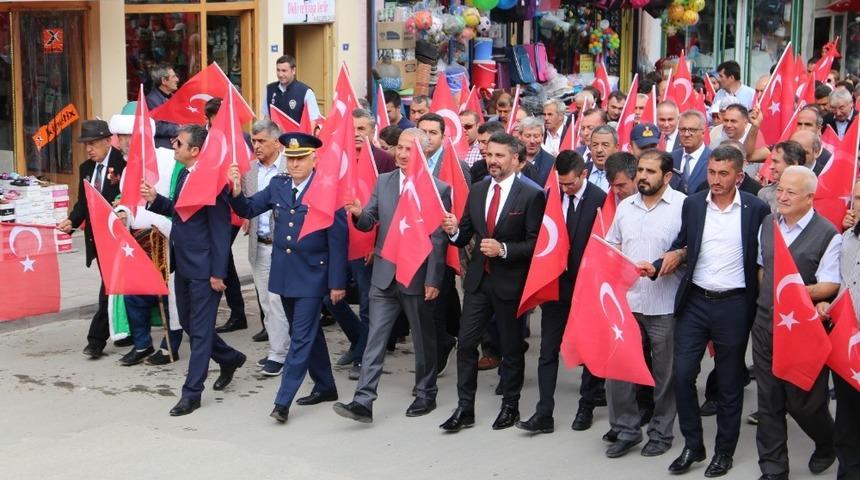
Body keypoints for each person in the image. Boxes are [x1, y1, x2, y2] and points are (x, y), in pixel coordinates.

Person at [648, 145, 769, 476]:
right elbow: (684, 244)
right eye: (712, 172)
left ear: (739, 177)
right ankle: (693, 446)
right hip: (695, 303)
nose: (715, 179)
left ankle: (724, 452)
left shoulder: (756, 209)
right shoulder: (693, 205)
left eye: (723, 174)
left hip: (733, 305)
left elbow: (762, 258)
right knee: (683, 375)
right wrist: (668, 259)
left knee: (729, 384)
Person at [332, 128, 452, 423]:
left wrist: (434, 279)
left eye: (409, 149)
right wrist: (359, 214)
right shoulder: (384, 182)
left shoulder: (438, 189)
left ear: (423, 154)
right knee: (375, 337)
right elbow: (370, 220)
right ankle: (363, 400)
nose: (401, 153)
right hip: (384, 273)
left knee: (422, 339)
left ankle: (426, 392)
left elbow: (438, 239)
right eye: (399, 147)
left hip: (416, 275)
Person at [227, 132, 347, 424]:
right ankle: (326, 385)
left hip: (312, 273)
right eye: (291, 159)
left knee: (301, 337)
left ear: (313, 159)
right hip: (285, 271)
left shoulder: (326, 188)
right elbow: (249, 208)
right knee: (307, 333)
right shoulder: (278, 185)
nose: (294, 164)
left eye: (301, 159)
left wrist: (337, 282)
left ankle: (282, 401)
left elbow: (338, 239)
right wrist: (234, 191)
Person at [439, 132, 545, 432]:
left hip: (511, 283)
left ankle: (510, 406)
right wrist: (452, 231)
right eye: (489, 155)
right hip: (478, 282)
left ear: (516, 159)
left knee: (511, 348)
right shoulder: (478, 188)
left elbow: (536, 245)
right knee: (467, 344)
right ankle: (465, 408)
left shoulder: (532, 193)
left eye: (500, 156)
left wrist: (504, 250)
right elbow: (465, 235)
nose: (493, 161)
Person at [140, 124, 246, 416]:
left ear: (195, 150)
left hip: (204, 268)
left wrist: (218, 272)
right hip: (183, 263)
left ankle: (192, 393)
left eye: (179, 143)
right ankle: (230, 357)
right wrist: (155, 200)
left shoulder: (212, 181)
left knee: (199, 332)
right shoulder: (185, 173)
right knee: (187, 322)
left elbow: (220, 230)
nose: (174, 146)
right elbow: (180, 211)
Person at [752, 166, 840, 479]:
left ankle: (828, 442)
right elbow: (764, 268)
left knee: (804, 402)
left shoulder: (828, 233)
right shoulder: (768, 223)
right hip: (766, 325)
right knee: (769, 398)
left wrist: (791, 293)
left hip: (804, 330)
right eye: (780, 189)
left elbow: (830, 284)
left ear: (809, 197)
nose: (782, 197)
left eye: (791, 192)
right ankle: (774, 469)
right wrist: (770, 299)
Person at [515, 150, 605, 435]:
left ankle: (586, 406)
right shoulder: (551, 197)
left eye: (570, 184)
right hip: (556, 286)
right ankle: (544, 413)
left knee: (590, 351)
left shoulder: (601, 201)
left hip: (587, 289)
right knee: (547, 351)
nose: (565, 189)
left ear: (584, 175)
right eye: (561, 183)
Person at [604, 149, 685, 458]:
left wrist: (672, 259)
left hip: (664, 305)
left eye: (651, 172)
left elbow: (690, 248)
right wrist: (615, 258)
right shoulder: (625, 206)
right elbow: (612, 243)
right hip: (626, 302)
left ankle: (661, 432)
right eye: (640, 171)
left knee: (665, 375)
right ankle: (626, 429)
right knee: (619, 370)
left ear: (666, 176)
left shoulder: (682, 206)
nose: (642, 177)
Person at [58, 120, 127, 359]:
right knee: (120, 287)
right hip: (96, 238)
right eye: (86, 144)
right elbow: (83, 203)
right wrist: (71, 222)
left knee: (109, 287)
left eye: (93, 143)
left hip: (120, 237)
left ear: (108, 142)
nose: (89, 148)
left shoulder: (123, 164)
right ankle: (129, 331)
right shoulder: (86, 167)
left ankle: (96, 340)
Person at [234, 119, 292, 376]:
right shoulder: (250, 172)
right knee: (267, 303)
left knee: (279, 302)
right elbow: (250, 206)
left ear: (276, 142)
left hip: (285, 248)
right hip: (259, 247)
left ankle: (281, 354)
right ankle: (278, 350)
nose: (255, 146)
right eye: (253, 141)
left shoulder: (291, 165)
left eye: (261, 141)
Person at [816, 180, 860, 479]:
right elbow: (839, 283)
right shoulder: (846, 240)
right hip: (848, 341)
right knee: (848, 415)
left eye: (859, 199)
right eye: (854, 198)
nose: (853, 204)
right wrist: (825, 303)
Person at [263, 54, 320, 123]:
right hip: (275, 133)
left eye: (284, 71)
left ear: (293, 71)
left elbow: (313, 121)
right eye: (278, 70)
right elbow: (267, 118)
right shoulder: (269, 89)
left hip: (296, 133)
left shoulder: (306, 92)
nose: (280, 74)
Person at [758, 140, 806, 212]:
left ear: (793, 164)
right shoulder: (764, 193)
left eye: (776, 162)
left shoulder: (810, 194)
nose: (771, 167)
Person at [671, 110, 711, 194]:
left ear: (703, 133)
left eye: (692, 130)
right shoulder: (671, 158)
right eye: (682, 129)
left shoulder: (713, 159)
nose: (686, 134)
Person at [144, 63, 180, 149]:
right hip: (163, 147)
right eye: (173, 77)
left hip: (179, 144)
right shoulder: (151, 100)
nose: (177, 79)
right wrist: (179, 129)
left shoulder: (175, 97)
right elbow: (156, 126)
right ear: (164, 81)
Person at [519, 116, 556, 186]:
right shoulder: (513, 159)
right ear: (520, 136)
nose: (532, 141)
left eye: (536, 136)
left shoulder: (552, 163)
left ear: (542, 137)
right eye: (528, 136)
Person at [585, 125, 617, 192]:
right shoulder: (581, 170)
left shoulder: (622, 173)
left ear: (616, 147)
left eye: (605, 145)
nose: (599, 150)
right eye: (595, 145)